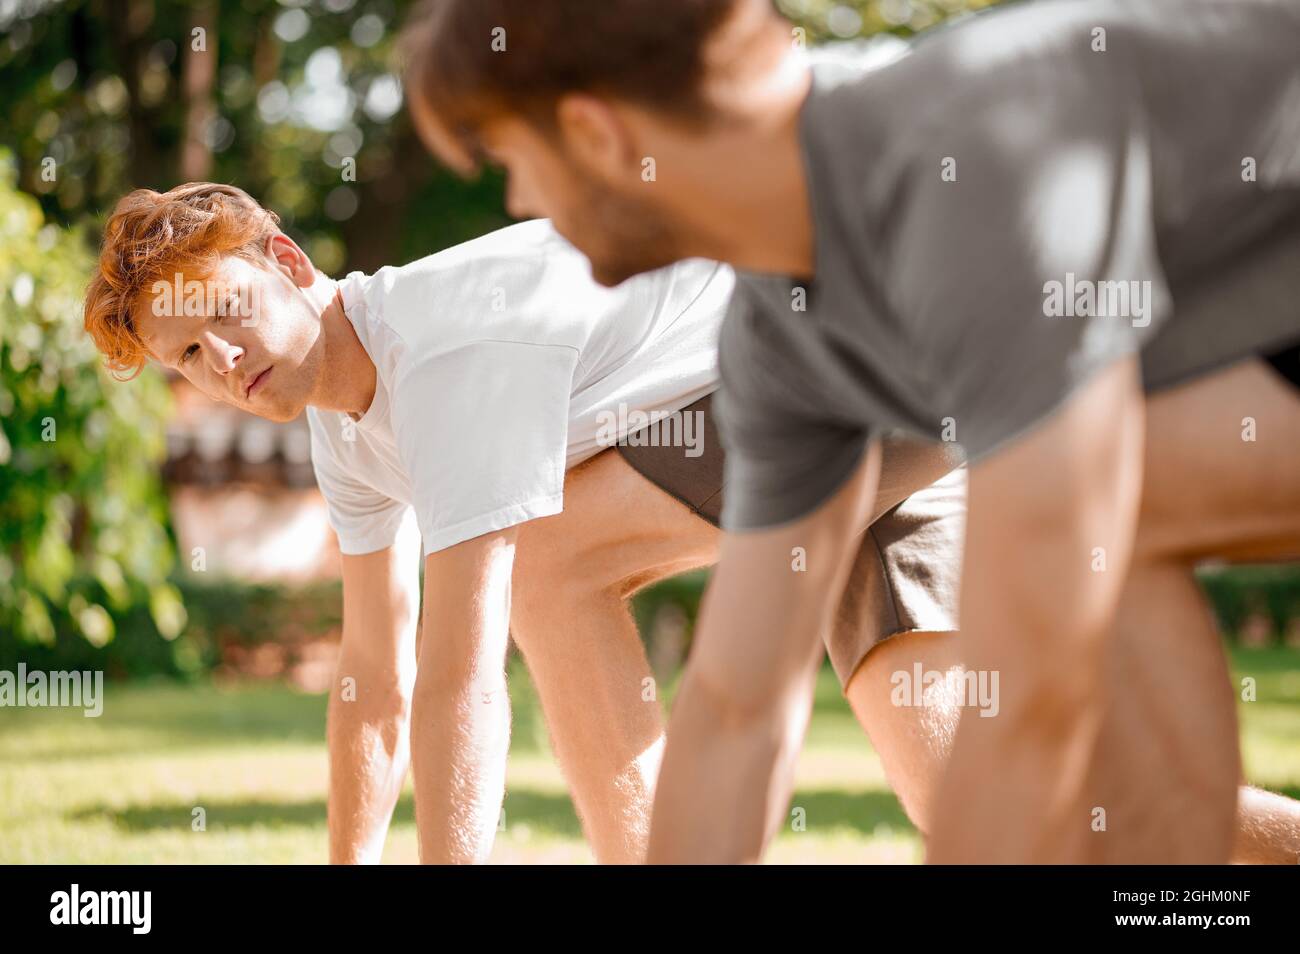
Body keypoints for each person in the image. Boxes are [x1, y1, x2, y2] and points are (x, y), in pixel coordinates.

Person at [400, 0, 1300, 862]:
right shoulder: (781, 331)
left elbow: (1041, 666)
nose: (520, 201)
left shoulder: (971, 161)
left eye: (515, 158)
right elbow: (735, 706)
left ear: (598, 134)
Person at [81, 182, 965, 862]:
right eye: (189, 354)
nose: (224, 360)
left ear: (288, 261)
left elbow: (460, 675)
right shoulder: (342, 432)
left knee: (548, 563)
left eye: (227, 311)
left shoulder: (441, 351)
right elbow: (373, 679)